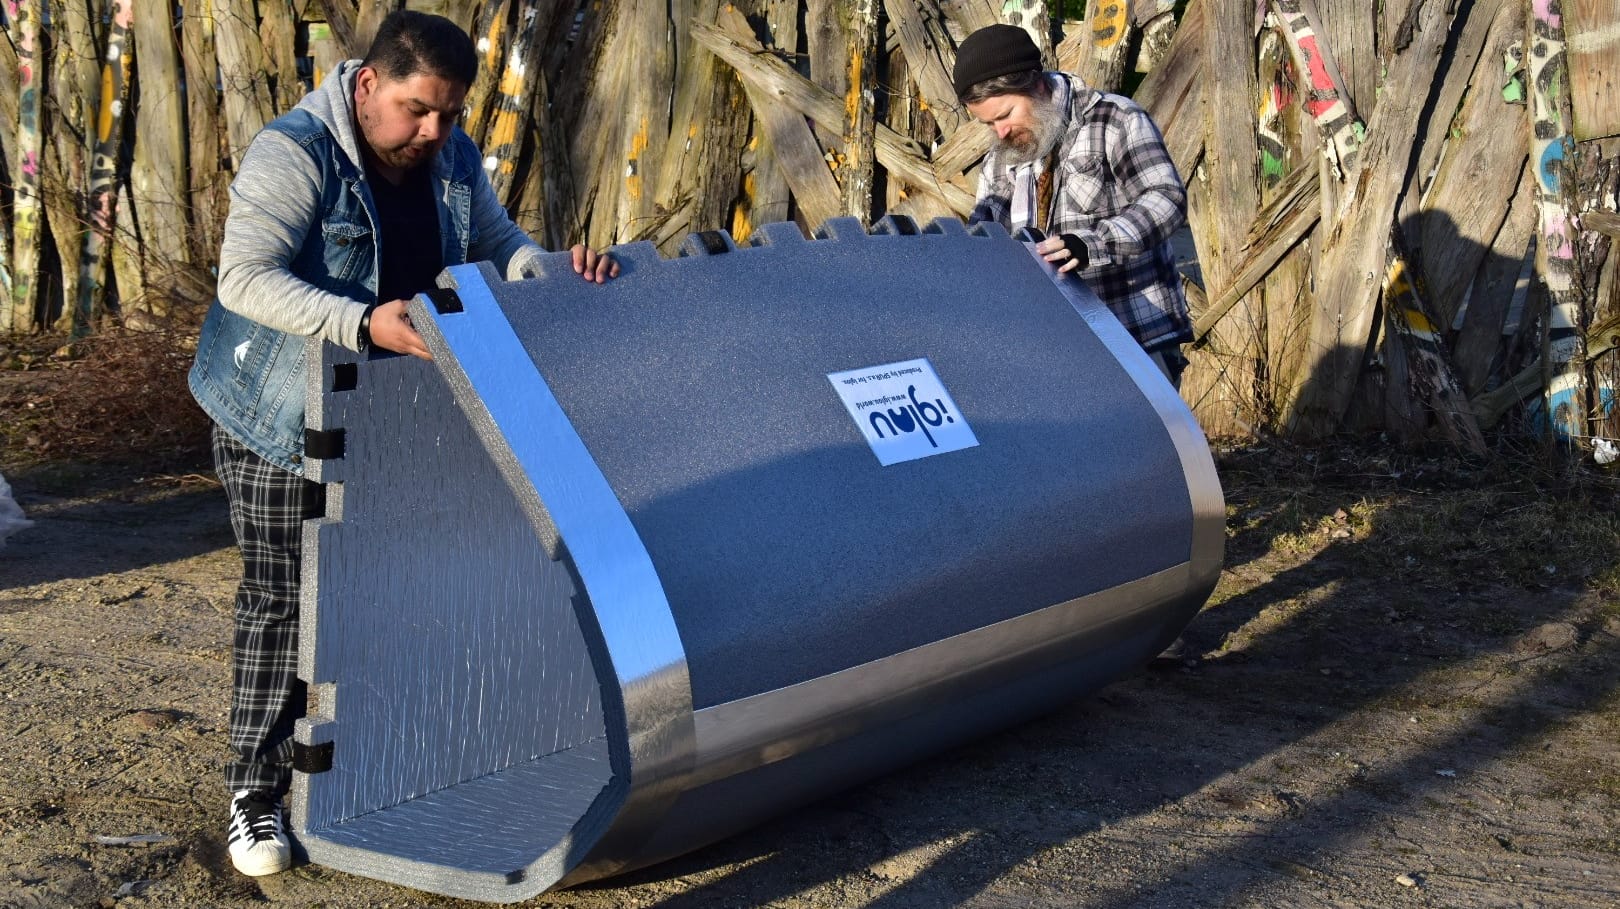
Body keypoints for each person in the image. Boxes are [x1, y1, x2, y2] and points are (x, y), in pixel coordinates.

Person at [187, 10, 617, 878]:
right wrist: (359, 320)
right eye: (419, 110)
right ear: (369, 83)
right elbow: (244, 277)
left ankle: (372, 773)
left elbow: (495, 242)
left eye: (450, 114)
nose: (434, 131)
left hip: (389, 411)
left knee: (387, 586)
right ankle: (254, 791)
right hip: (276, 406)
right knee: (284, 595)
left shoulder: (449, 153)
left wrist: (550, 272)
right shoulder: (296, 152)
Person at [954, 24, 1193, 388]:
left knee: (1139, 447)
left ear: (1037, 85)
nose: (999, 132)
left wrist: (1090, 245)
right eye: (988, 124)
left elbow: (1166, 199)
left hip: (1133, 336)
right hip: (1052, 352)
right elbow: (982, 243)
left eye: (1004, 115)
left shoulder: (1116, 120)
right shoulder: (1000, 161)